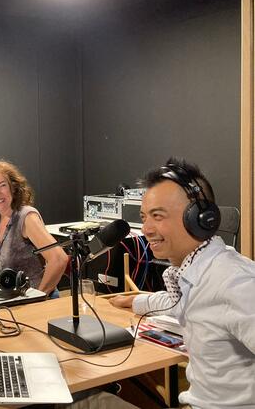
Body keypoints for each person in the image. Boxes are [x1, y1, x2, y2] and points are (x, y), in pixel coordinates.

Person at [109, 158, 255, 408]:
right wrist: (136, 302)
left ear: (200, 218)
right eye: (144, 217)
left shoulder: (235, 283)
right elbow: (176, 301)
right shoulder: (199, 275)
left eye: (158, 216)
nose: (146, 228)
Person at [0, 160, 69, 296]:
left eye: (2, 185)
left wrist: (39, 296)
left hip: (33, 298)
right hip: (10, 297)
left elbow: (59, 259)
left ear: (13, 188)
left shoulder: (26, 217)